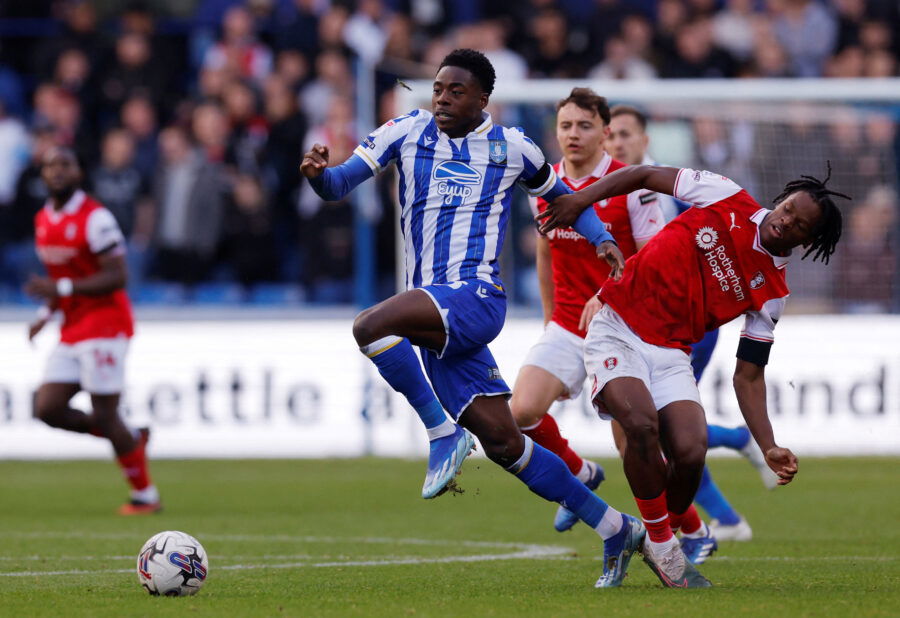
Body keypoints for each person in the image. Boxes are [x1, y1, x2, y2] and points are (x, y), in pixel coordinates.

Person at [301, 49, 646, 588]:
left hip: (476, 297)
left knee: (369, 326)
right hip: (430, 310)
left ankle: (439, 432)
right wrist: (319, 176)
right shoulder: (404, 130)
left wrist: (602, 239)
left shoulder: (512, 147)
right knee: (506, 445)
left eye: (455, 91)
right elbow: (340, 183)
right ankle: (614, 527)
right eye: (438, 88)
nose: (442, 98)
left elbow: (565, 198)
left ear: (483, 98)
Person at [537, 162, 847, 587]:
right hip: (617, 325)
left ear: (808, 240)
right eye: (788, 207)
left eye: (798, 224)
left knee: (690, 450)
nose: (785, 220)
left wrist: (769, 444)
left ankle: (645, 532)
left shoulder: (772, 293)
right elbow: (645, 175)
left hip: (671, 353)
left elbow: (748, 376)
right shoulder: (725, 195)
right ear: (782, 199)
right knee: (642, 424)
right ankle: (665, 547)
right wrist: (580, 199)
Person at [608, 105, 778, 551]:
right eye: (612, 135)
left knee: (662, 432)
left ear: (646, 142)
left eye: (627, 135)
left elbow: (664, 254)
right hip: (628, 317)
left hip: (674, 324)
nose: (618, 143)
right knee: (650, 435)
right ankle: (716, 514)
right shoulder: (608, 190)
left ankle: (700, 525)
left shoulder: (653, 192)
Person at [510, 89, 664, 535]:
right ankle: (579, 474)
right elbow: (545, 254)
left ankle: (680, 532)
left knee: (635, 443)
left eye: (584, 125)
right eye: (565, 126)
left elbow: (654, 257)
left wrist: (610, 293)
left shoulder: (631, 184)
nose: (573, 134)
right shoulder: (543, 184)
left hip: (623, 328)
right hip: (567, 324)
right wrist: (548, 319)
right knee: (520, 412)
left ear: (605, 132)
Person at [25, 146, 160, 516]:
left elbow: (118, 275)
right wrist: (45, 312)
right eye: (50, 165)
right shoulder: (43, 219)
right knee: (48, 408)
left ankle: (145, 495)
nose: (57, 171)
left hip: (105, 325)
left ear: (79, 173)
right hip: (72, 327)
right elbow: (58, 279)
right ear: (43, 175)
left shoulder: (96, 218)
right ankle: (130, 439)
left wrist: (62, 291)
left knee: (104, 413)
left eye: (65, 165)